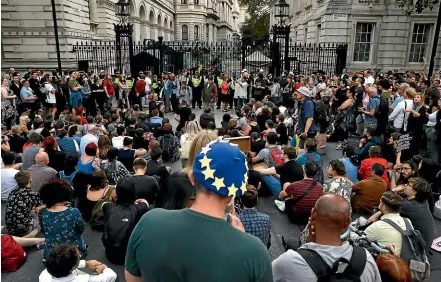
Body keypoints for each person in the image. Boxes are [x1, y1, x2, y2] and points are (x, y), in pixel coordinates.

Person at [125, 140, 272, 282]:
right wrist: (241, 242)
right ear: (236, 192)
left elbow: (132, 278)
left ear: (192, 178)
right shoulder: (255, 252)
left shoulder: (149, 221)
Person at [272, 193, 381, 282]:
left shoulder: (289, 262)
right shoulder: (366, 259)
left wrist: (308, 247)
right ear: (347, 223)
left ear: (313, 214)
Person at [39, 179, 88, 260]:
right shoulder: (74, 212)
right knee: (79, 237)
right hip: (71, 252)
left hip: (51, 255)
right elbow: (80, 229)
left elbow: (44, 230)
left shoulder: (42, 213)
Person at [361, 191, 408, 256]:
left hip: (388, 262)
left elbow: (360, 239)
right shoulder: (407, 221)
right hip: (406, 260)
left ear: (384, 208)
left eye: (380, 202)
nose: (379, 203)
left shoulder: (378, 226)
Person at [39, 244, 117, 282]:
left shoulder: (44, 275)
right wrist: (104, 269)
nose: (79, 256)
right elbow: (112, 276)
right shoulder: (84, 280)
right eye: (78, 257)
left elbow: (63, 264)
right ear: (72, 267)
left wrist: (85, 263)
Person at [397, 177, 434, 251]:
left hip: (418, 249)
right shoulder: (424, 201)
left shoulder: (408, 206)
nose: (405, 185)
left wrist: (394, 191)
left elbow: (385, 204)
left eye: (408, 185)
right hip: (426, 244)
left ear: (414, 192)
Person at [5, 171, 44, 237]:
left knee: (31, 212)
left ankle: (16, 238)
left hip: (10, 227)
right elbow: (39, 207)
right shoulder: (32, 194)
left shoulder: (13, 190)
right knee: (39, 225)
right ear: (30, 181)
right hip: (23, 229)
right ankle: (26, 237)